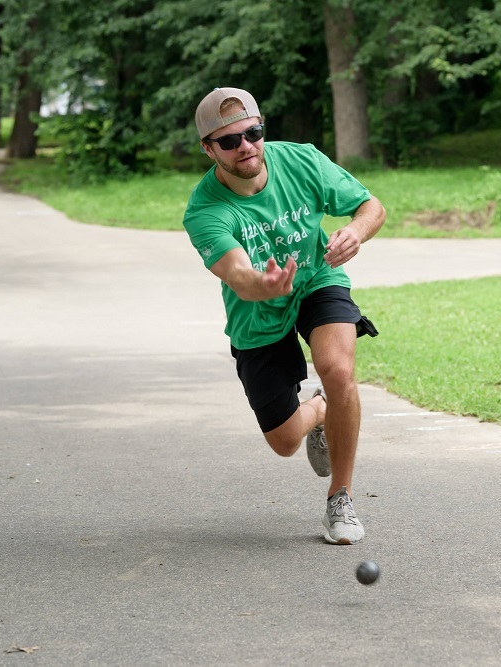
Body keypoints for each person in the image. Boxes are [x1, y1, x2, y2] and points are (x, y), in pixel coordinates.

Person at [182, 87, 386, 545]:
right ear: (209, 149)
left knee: (338, 370)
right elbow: (238, 274)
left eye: (253, 133)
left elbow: (372, 207)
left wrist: (355, 231)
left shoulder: (301, 160)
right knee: (285, 441)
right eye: (229, 141)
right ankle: (321, 411)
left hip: (317, 279)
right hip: (256, 310)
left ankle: (340, 497)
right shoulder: (205, 210)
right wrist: (265, 283)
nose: (245, 146)